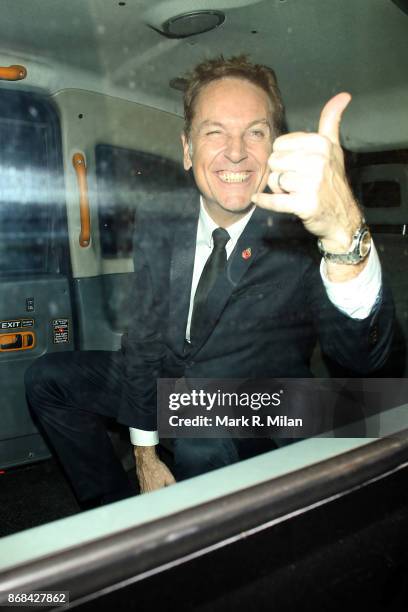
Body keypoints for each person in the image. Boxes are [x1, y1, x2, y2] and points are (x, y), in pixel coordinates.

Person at [25, 55, 394, 506]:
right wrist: (144, 453)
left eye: (255, 132)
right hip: (173, 383)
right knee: (49, 377)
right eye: (214, 131)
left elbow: (364, 359)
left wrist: (342, 235)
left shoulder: (299, 235)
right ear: (187, 148)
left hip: (263, 407)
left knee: (202, 434)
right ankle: (116, 513)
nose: (235, 151)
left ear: (273, 146)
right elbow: (143, 338)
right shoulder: (161, 219)